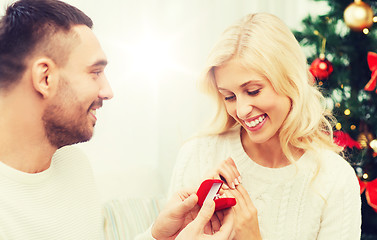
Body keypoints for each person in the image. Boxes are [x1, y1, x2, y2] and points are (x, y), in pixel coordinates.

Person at [0, 0, 233, 239]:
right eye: (95, 72)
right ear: (45, 78)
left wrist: (157, 236)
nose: (108, 91)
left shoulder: (74, 165)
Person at [168, 12, 362, 239]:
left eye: (253, 91)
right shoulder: (197, 154)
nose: (241, 110)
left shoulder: (334, 180)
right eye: (229, 96)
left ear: (290, 82)